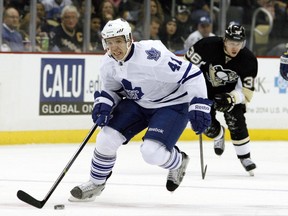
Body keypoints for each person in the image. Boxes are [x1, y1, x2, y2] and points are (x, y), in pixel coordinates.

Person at [68, 18, 212, 202]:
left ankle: (178, 161)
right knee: (106, 138)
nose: (115, 47)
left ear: (129, 40)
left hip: (172, 103)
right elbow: (113, 90)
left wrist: (198, 105)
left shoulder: (152, 57)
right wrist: (104, 103)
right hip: (139, 102)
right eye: (110, 42)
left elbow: (192, 74)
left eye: (119, 41)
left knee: (151, 153)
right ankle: (96, 183)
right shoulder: (108, 63)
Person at [184, 24, 258, 176]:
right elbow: (186, 68)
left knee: (235, 119)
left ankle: (245, 157)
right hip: (204, 91)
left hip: (229, 94)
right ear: (224, 40)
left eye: (238, 43)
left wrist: (231, 98)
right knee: (205, 125)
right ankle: (218, 135)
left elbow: (247, 93)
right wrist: (192, 90)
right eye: (231, 43)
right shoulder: (206, 46)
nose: (235, 47)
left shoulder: (248, 60)